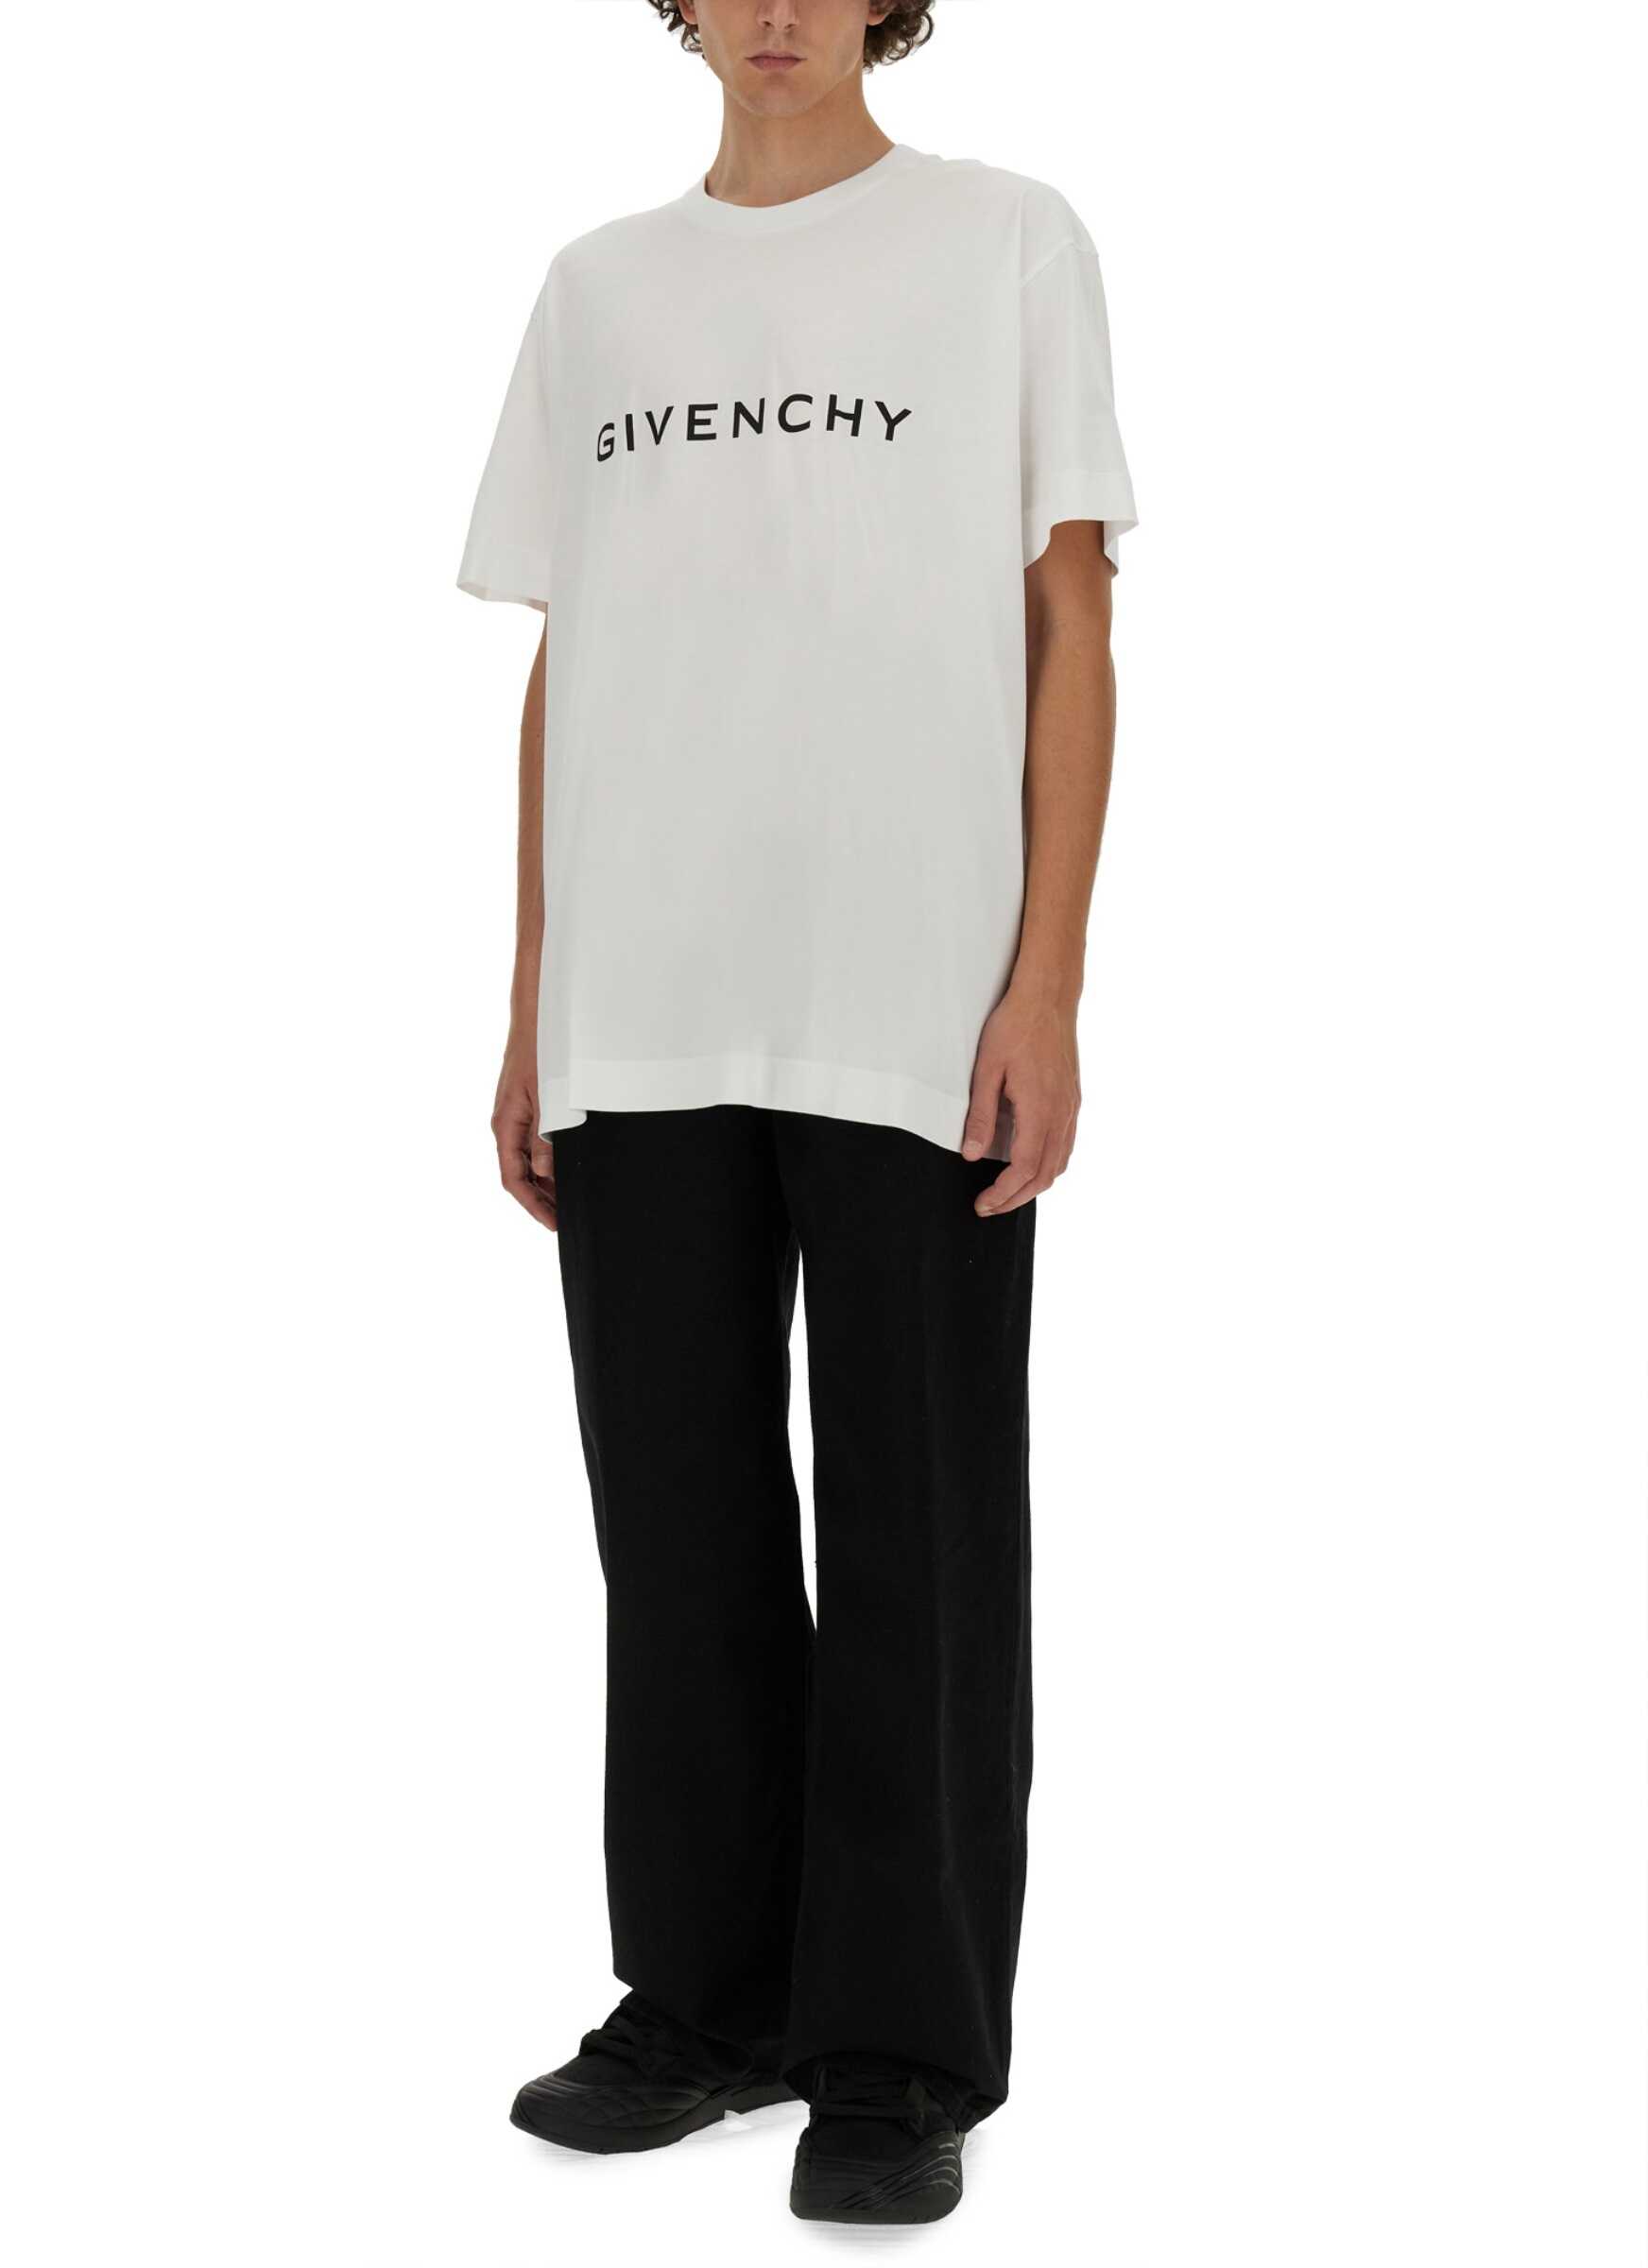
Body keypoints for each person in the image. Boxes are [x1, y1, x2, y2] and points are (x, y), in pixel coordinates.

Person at [457, 0, 1135, 2229]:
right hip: (644, 994)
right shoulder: (599, 288)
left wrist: (1045, 983)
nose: (773, 11)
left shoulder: (1004, 241)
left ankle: (900, 2047)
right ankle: (707, 1999)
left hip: (909, 989)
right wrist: (537, 998)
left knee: (925, 1524)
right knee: (676, 1524)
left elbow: (1068, 620)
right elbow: (570, 654)